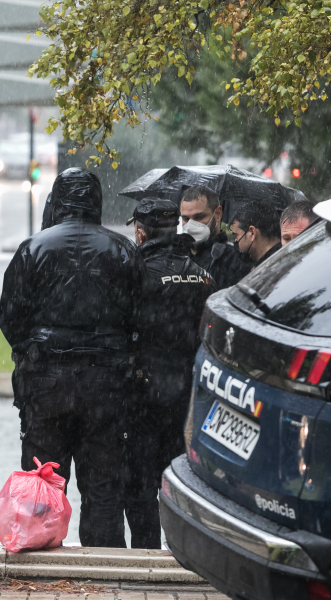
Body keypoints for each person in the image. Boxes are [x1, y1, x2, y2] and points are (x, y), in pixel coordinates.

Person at [0, 168, 146, 548]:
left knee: (42, 478)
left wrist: (33, 350)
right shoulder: (122, 250)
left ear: (57, 200)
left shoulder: (34, 247)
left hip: (46, 379)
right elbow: (139, 316)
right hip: (106, 381)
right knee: (103, 483)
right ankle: (102, 561)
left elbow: (11, 317)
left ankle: (40, 554)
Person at [124, 198, 216, 549]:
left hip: (144, 393)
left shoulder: (136, 271)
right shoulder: (202, 273)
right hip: (188, 392)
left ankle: (146, 552)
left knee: (139, 483)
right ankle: (185, 551)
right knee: (182, 478)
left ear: (141, 232)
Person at [179, 185, 252, 289]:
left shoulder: (235, 259)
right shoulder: (176, 255)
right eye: (186, 218)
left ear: (217, 214)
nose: (191, 225)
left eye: (199, 217)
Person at [231, 202, 282, 267]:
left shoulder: (270, 270)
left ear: (252, 233)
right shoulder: (286, 258)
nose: (235, 241)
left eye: (236, 235)